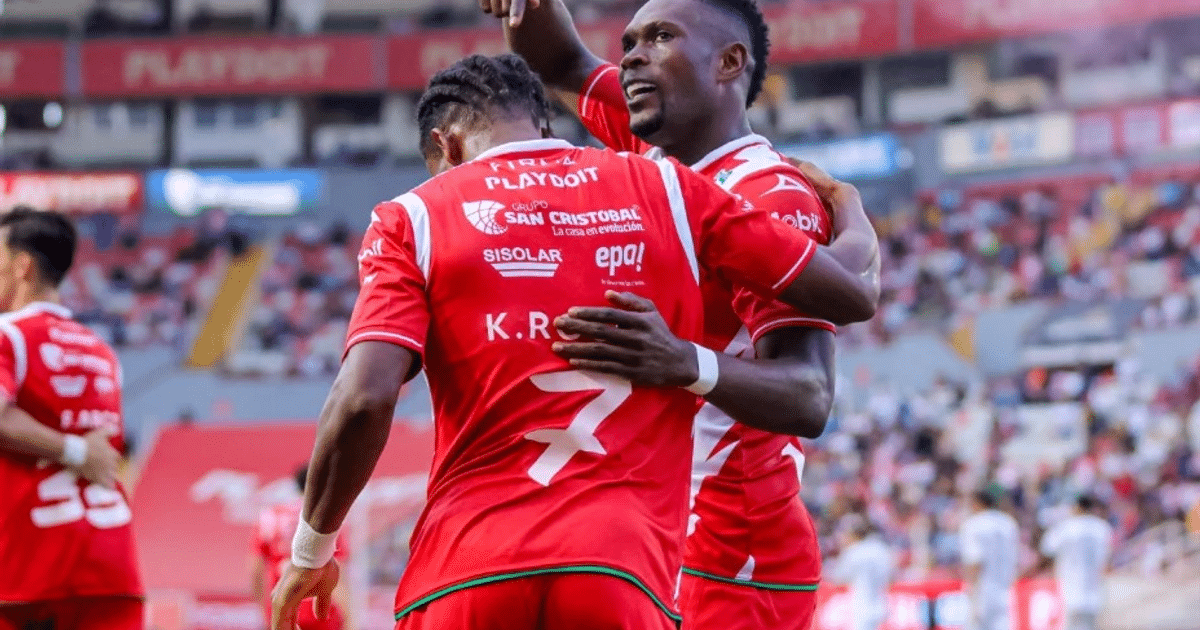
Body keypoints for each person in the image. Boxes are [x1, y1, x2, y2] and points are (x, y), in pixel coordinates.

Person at [270, 53, 878, 630]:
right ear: (542, 125)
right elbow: (846, 290)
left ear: (444, 146)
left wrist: (311, 551)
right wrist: (849, 210)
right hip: (619, 569)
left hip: (464, 568)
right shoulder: (667, 189)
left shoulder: (412, 217)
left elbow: (364, 398)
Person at [487, 0, 880, 627]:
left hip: (732, 558)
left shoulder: (769, 195)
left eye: (660, 38)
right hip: (653, 533)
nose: (632, 57)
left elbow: (809, 396)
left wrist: (683, 362)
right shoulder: (656, 158)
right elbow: (559, 61)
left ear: (728, 63)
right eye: (629, 43)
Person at [0, 207, 143, 630]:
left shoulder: (9, 334)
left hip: (28, 572)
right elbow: (106, 452)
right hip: (111, 567)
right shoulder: (102, 351)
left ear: (22, 266)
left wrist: (73, 450)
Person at [253, 465, 350, 630]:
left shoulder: (270, 517)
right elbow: (337, 573)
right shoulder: (328, 520)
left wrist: (264, 612)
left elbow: (255, 570)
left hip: (282, 611)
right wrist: (348, 616)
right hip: (321, 614)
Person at [1039, 495, 1114, 630]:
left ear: (1077, 507)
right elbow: (1108, 559)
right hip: (1094, 593)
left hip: (1069, 592)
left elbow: (1047, 552)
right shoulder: (1102, 528)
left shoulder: (1066, 527)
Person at [959, 490, 1020, 630]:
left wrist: (971, 588)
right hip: (1006, 590)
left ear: (977, 503)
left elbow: (975, 561)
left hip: (983, 591)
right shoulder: (1008, 523)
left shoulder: (973, 524)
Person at [830, 517, 893, 630]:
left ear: (855, 534)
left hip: (862, 604)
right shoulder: (882, 549)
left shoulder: (854, 551)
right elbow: (892, 574)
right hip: (882, 602)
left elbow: (838, 577)